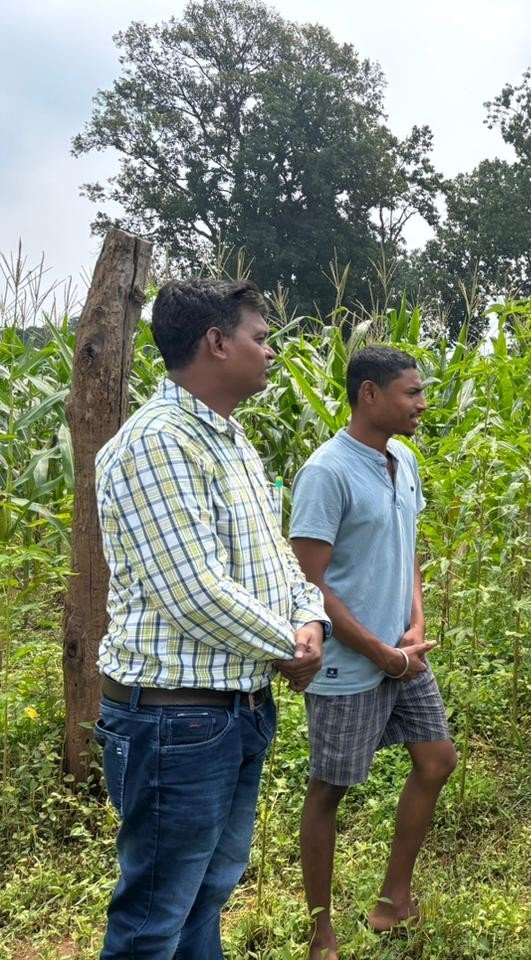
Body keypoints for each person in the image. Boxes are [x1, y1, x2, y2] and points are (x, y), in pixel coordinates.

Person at [94, 279, 330, 959]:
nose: (271, 353)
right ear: (216, 343)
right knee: (156, 913)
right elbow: (193, 590)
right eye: (261, 338)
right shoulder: (158, 444)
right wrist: (292, 644)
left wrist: (309, 616)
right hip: (177, 720)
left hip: (232, 712)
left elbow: (275, 558)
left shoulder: (230, 441)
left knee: (207, 893)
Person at [290, 346, 456, 959]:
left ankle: (392, 900)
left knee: (437, 760)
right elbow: (308, 584)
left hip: (403, 653)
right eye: (411, 393)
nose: (421, 403)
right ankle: (320, 931)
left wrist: (414, 626)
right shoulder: (326, 473)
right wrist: (377, 651)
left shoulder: (403, 459)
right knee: (329, 790)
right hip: (348, 662)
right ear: (370, 394)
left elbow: (409, 548)